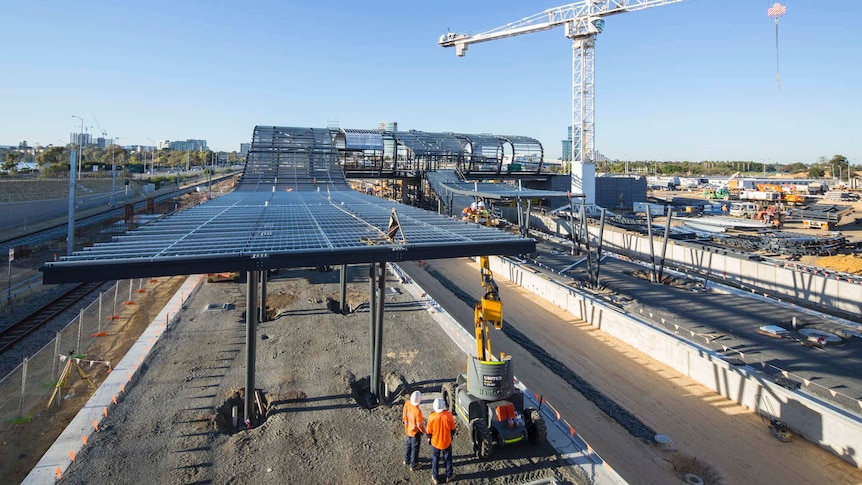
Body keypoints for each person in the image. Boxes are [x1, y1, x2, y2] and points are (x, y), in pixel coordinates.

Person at [427, 397, 456, 484]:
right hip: (446, 442)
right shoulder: (448, 415)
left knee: (435, 459)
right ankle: (449, 475)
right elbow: (453, 429)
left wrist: (429, 438)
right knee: (448, 459)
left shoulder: (431, 417)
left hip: (435, 442)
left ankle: (435, 477)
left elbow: (429, 431)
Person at [402, 390, 425, 471]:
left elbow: (404, 416)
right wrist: (423, 431)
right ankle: (413, 464)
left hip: (408, 429)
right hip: (415, 432)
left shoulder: (407, 403)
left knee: (408, 444)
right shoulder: (417, 411)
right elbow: (419, 425)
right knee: (415, 448)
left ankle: (406, 459)